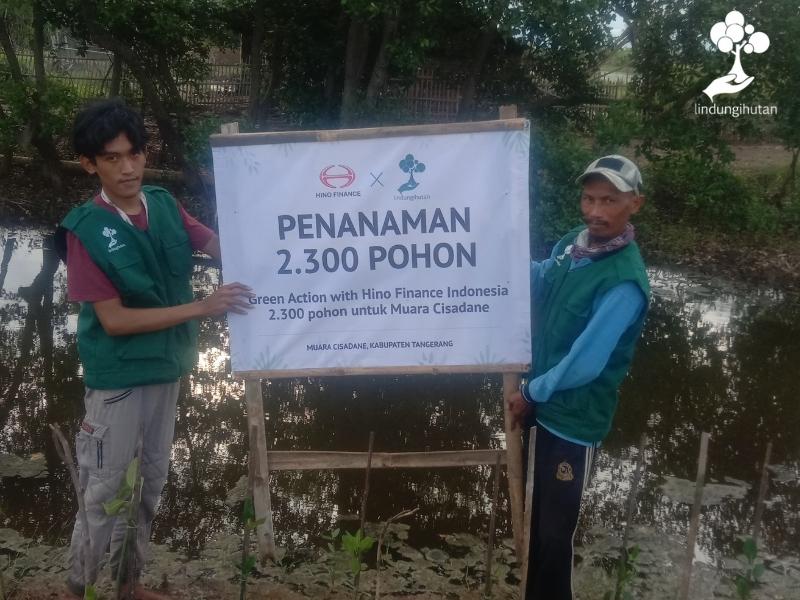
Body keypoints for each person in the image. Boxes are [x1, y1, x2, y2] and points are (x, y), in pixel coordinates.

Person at [56, 98, 252, 599]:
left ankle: (129, 584)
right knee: (102, 494)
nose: (127, 167)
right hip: (118, 382)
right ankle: (79, 589)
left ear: (146, 154)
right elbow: (115, 320)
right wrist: (203, 307)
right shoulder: (85, 231)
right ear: (89, 164)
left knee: (149, 486)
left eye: (134, 154)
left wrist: (286, 238)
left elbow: (218, 245)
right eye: (112, 157)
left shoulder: (164, 205)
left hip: (168, 370)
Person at [507, 155, 650, 599]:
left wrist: (531, 390)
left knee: (554, 536)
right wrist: (495, 264)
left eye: (609, 200)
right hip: (541, 406)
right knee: (534, 523)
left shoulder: (625, 280)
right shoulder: (574, 244)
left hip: (572, 421)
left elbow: (586, 361)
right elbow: (541, 280)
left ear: (634, 205)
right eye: (589, 198)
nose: (596, 211)